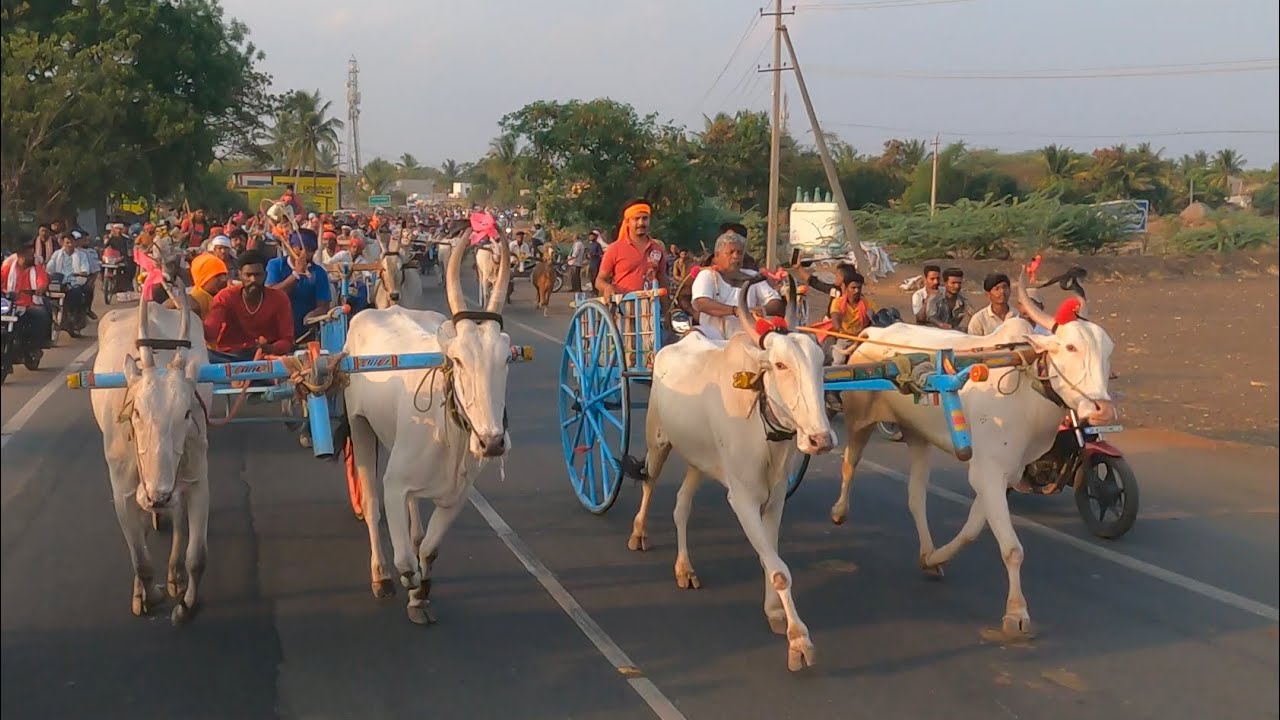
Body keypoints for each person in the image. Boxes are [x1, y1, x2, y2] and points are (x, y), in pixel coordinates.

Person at [690, 230, 785, 341]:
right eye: (730, 252)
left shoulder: (754, 277)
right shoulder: (707, 275)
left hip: (747, 337)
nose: (736, 256)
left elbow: (776, 302)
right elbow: (701, 303)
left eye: (739, 253)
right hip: (713, 338)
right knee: (692, 335)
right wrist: (737, 311)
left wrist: (763, 309)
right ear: (716, 256)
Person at [203, 250, 294, 362]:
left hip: (264, 357)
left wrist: (271, 348)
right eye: (248, 275)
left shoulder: (279, 298)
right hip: (229, 357)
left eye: (257, 275)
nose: (253, 280)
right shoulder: (226, 296)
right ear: (240, 274)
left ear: (265, 275)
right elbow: (210, 332)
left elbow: (287, 339)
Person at [595, 200, 668, 299]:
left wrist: (667, 311)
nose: (641, 223)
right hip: (623, 308)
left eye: (645, 218)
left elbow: (662, 280)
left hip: (651, 307)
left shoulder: (657, 248)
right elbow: (599, 281)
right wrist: (607, 287)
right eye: (636, 219)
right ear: (627, 222)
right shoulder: (615, 248)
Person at [0, 245, 53, 348]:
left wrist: (40, 289)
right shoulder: (8, 268)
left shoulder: (37, 269)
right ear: (20, 256)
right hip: (9, 304)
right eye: (28, 255)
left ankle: (35, 345)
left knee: (41, 314)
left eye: (32, 254)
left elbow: (42, 283)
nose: (31, 257)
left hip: (29, 304)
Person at [45, 233, 96, 327]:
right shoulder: (57, 254)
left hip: (75, 281)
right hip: (60, 282)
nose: (69, 245)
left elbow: (85, 270)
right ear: (62, 243)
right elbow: (49, 268)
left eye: (71, 242)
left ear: (75, 243)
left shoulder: (82, 255)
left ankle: (75, 314)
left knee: (79, 291)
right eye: (67, 242)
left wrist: (80, 273)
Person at [168, 253, 228, 318]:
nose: (223, 279)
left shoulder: (225, 296)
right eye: (217, 276)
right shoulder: (196, 301)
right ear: (203, 280)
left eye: (224, 274)